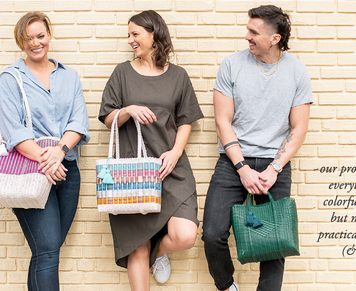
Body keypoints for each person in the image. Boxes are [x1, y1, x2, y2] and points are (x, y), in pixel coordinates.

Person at [201, 5, 312, 291]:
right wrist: (242, 168)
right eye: (247, 29)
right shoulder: (231, 65)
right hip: (233, 161)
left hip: (275, 165)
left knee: (275, 244)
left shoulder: (297, 71)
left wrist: (275, 168)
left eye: (254, 32)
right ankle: (227, 286)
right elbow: (222, 121)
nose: (246, 36)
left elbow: (298, 127)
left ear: (275, 38)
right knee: (212, 233)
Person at [98, 10, 204, 291]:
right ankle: (149, 254)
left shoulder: (179, 76)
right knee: (138, 247)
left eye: (135, 34)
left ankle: (161, 251)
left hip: (170, 168)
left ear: (153, 34)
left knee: (186, 235)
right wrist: (127, 110)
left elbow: (186, 121)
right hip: (132, 175)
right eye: (128, 35)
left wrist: (176, 152)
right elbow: (108, 119)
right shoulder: (122, 73)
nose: (130, 40)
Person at [0, 12, 90, 291]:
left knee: (48, 251)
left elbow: (78, 122)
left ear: (49, 35)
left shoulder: (69, 76)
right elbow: (14, 130)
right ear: (21, 42)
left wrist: (60, 152)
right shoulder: (9, 79)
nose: (35, 43)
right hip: (31, 170)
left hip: (67, 172)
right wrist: (48, 159)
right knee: (47, 249)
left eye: (40, 36)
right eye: (28, 38)